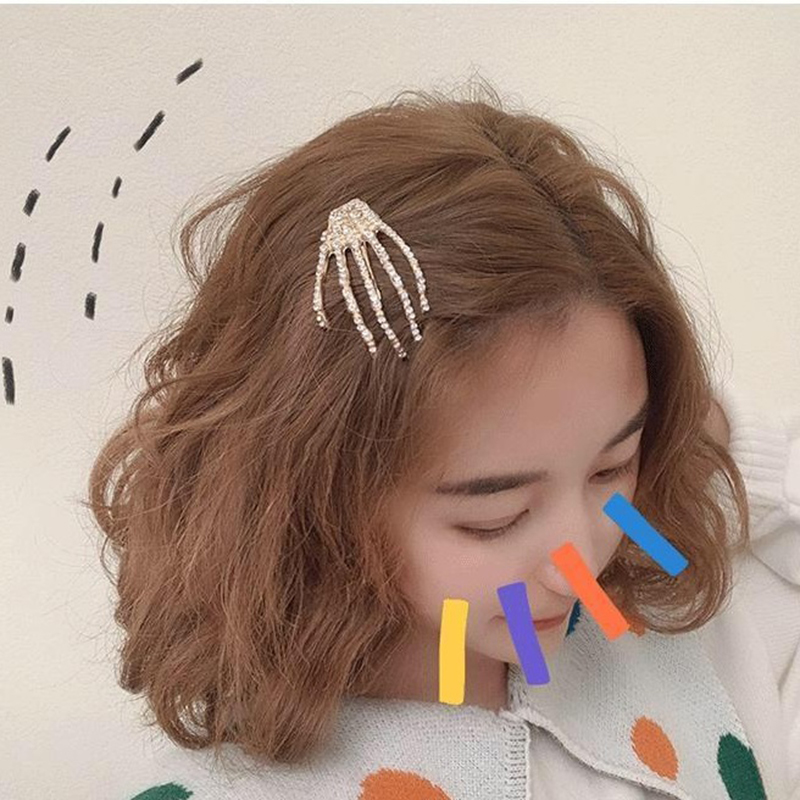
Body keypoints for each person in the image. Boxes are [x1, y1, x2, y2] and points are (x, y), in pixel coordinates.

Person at [85, 78, 799, 800]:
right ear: (318, 501)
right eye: (496, 517)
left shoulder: (676, 617)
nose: (578, 565)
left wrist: (707, 437)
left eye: (611, 468)